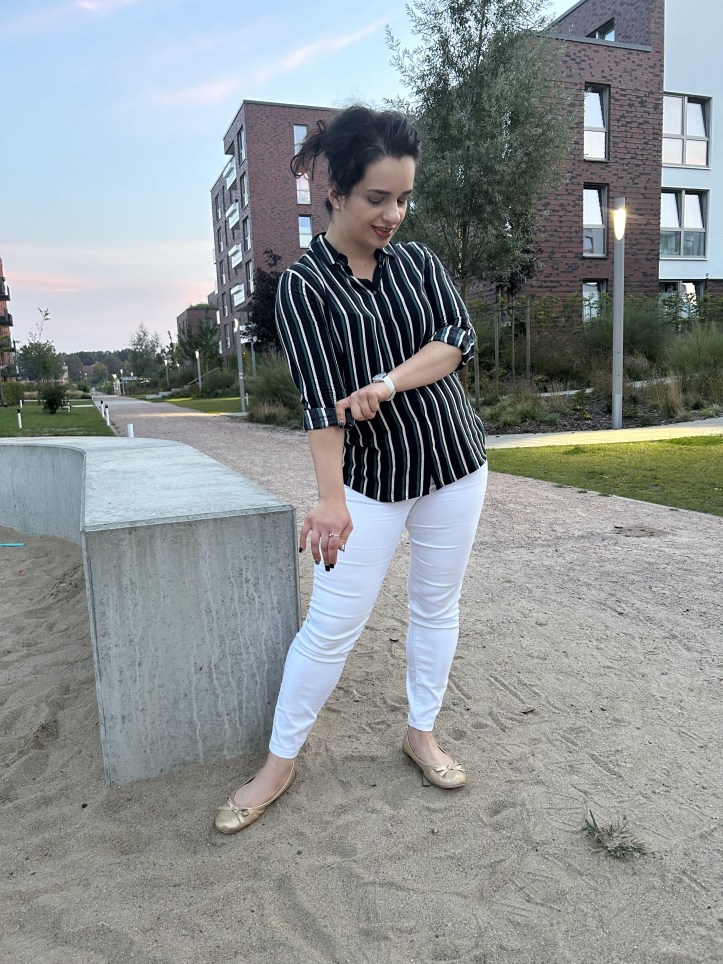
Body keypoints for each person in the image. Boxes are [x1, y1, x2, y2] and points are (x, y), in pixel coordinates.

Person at [215, 105, 488, 834]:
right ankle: (279, 762)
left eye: (403, 198)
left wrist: (389, 383)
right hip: (371, 483)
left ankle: (419, 732)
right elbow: (317, 404)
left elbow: (456, 340)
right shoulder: (306, 287)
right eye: (377, 198)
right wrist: (329, 501)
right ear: (334, 192)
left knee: (436, 607)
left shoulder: (418, 262)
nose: (392, 214)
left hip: (456, 466)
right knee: (330, 626)